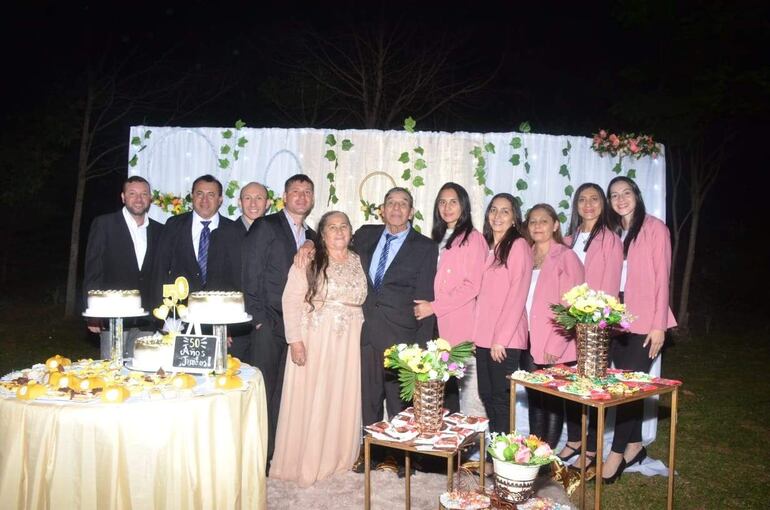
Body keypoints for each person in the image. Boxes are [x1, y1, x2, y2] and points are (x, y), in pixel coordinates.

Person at [270, 211, 367, 487]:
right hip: (315, 340)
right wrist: (295, 340)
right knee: (314, 395)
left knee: (341, 396)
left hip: (349, 344)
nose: (338, 231)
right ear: (321, 234)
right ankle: (306, 459)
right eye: (332, 227)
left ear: (351, 232)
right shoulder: (308, 259)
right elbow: (290, 299)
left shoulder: (360, 261)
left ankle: (337, 457)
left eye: (344, 226)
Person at [352, 187, 437, 473]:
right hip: (366, 332)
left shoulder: (424, 247)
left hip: (402, 336)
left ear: (411, 212)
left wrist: (421, 347)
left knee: (399, 400)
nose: (397, 209)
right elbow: (333, 245)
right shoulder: (364, 235)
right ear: (382, 209)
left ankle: (404, 457)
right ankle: (371, 452)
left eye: (403, 204)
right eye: (391, 203)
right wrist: (309, 246)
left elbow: (425, 296)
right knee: (369, 398)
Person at [601, 176, 677, 484]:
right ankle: (634, 446)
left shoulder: (655, 228)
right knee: (626, 387)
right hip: (617, 320)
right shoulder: (614, 231)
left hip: (646, 321)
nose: (620, 199)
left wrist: (659, 325)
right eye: (614, 195)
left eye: (626, 193)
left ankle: (616, 455)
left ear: (637, 195)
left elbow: (663, 279)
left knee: (626, 391)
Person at [242, 174, 316, 464]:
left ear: (312, 199)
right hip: (267, 325)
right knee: (262, 393)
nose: (301, 196)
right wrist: (258, 320)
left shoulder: (308, 232)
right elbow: (250, 275)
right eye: (295, 191)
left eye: (307, 192)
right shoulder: (266, 225)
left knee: (282, 396)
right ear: (284, 197)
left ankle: (272, 455)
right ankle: (254, 457)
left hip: (294, 328)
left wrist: (310, 242)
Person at [560, 183, 623, 467]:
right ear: (575, 205)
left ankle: (593, 449)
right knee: (571, 383)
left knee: (594, 386)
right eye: (582, 199)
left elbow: (610, 286)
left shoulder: (610, 238)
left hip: (595, 324)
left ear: (603, 204)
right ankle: (574, 440)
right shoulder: (568, 239)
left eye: (594, 199)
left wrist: (596, 319)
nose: (588, 204)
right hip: (569, 323)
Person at [413, 182, 486, 415]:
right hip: (436, 327)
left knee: (464, 397)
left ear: (463, 205)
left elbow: (472, 286)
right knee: (442, 393)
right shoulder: (438, 237)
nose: (447, 207)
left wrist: (433, 307)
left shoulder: (473, 238)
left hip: (459, 326)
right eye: (442, 202)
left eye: (453, 201)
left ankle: (468, 449)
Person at [522, 203, 584, 449]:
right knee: (535, 397)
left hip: (553, 340)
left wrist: (556, 343)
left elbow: (573, 305)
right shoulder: (525, 253)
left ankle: (546, 457)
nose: (537, 225)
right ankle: (535, 452)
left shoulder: (566, 256)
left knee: (553, 400)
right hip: (526, 337)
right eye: (533, 221)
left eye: (543, 221)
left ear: (555, 225)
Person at [83, 176, 163, 358]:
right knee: (112, 373)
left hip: (147, 317)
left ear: (150, 198)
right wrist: (92, 313)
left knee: (143, 372)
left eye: (144, 194)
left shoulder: (159, 230)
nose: (139, 199)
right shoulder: (104, 225)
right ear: (123, 197)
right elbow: (93, 270)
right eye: (132, 194)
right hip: (113, 315)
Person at [473, 193, 532, 434]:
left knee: (500, 398)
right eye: (494, 210)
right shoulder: (487, 248)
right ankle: (496, 448)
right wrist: (477, 337)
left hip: (504, 339)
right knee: (486, 395)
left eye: (505, 211)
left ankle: (503, 457)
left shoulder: (518, 246)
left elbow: (517, 296)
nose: (498, 215)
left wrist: (501, 339)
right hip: (484, 337)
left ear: (515, 218)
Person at [152, 174, 242, 304]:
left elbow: (239, 277)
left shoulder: (234, 231)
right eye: (199, 194)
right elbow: (160, 270)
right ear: (192, 197)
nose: (204, 200)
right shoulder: (174, 225)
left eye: (211, 195)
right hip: (180, 310)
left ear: (220, 200)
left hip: (221, 311)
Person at [230, 182, 271, 363]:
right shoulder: (224, 233)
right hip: (235, 325)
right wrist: (223, 326)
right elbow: (220, 281)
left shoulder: (275, 233)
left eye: (259, 198)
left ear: (268, 203)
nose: (253, 203)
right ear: (239, 203)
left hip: (267, 323)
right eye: (248, 198)